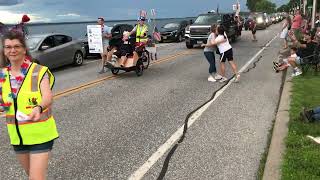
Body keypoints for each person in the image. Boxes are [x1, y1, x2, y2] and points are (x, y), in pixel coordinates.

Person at [0, 31, 59, 180]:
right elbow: (4, 103)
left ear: (24, 49)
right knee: (31, 175)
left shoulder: (38, 71)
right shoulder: (2, 75)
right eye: (8, 47)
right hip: (18, 137)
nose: (12, 50)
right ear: (4, 50)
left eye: (16, 46)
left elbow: (47, 97)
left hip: (40, 135)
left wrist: (38, 108)